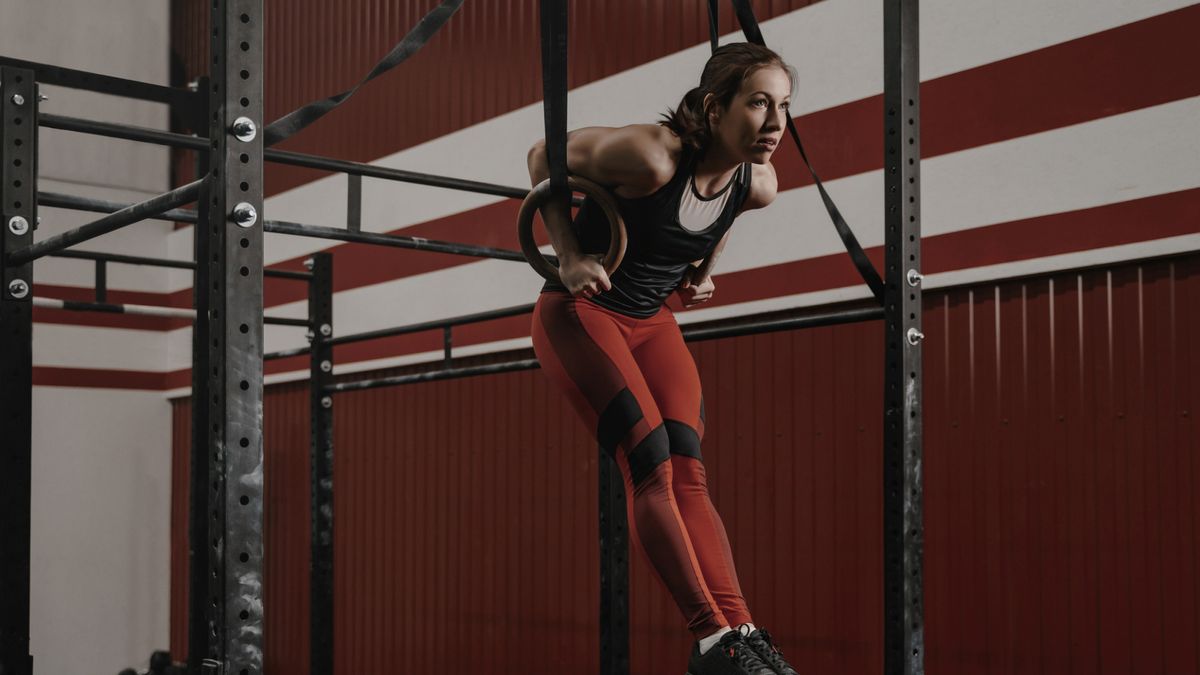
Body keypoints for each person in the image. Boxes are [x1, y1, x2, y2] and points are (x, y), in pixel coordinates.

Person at [526, 43, 801, 675]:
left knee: (689, 472)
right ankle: (711, 637)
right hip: (582, 313)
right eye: (758, 103)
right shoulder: (651, 157)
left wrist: (701, 268)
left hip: (652, 322)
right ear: (714, 106)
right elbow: (543, 158)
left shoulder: (757, 184)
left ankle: (742, 630)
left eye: (784, 106)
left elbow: (722, 214)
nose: (775, 123)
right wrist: (567, 253)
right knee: (649, 465)